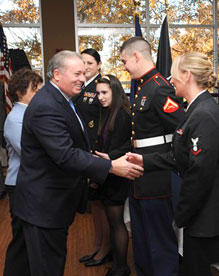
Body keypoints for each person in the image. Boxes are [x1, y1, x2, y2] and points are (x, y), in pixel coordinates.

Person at [4, 50, 143, 276]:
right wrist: (111, 167)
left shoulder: (60, 99)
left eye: (84, 72)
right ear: (57, 75)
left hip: (46, 203)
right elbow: (64, 154)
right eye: (77, 73)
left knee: (27, 263)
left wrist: (99, 158)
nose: (82, 77)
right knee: (47, 267)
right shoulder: (47, 105)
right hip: (44, 206)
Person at [127, 52, 219, 276]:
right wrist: (144, 159)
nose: (170, 81)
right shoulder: (195, 110)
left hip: (213, 219)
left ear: (188, 75)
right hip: (205, 216)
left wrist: (180, 214)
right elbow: (180, 156)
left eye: (173, 75)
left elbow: (199, 173)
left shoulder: (203, 115)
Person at [120, 37, 185, 276]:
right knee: (142, 237)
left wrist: (167, 160)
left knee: (158, 240)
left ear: (137, 56)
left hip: (156, 176)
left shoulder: (159, 87)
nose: (124, 66)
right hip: (139, 175)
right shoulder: (143, 87)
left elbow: (182, 130)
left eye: (125, 60)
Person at [3, 68, 43, 276]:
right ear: (19, 92)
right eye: (35, 90)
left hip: (28, 183)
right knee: (21, 238)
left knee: (29, 238)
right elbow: (30, 152)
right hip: (19, 184)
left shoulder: (29, 114)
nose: (39, 95)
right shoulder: (15, 118)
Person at [74, 49, 111, 266]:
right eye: (83, 62)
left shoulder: (100, 87)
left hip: (96, 150)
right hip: (84, 150)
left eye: (90, 62)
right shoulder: (81, 88)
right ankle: (97, 245)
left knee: (101, 204)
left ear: (98, 65)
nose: (86, 66)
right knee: (94, 204)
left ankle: (105, 249)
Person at [94, 75, 131, 276]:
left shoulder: (123, 114)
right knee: (112, 221)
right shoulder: (106, 113)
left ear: (115, 92)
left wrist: (110, 156)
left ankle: (122, 268)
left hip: (118, 174)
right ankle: (118, 265)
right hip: (108, 172)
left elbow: (130, 145)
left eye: (104, 92)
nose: (100, 97)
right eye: (98, 93)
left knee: (117, 223)